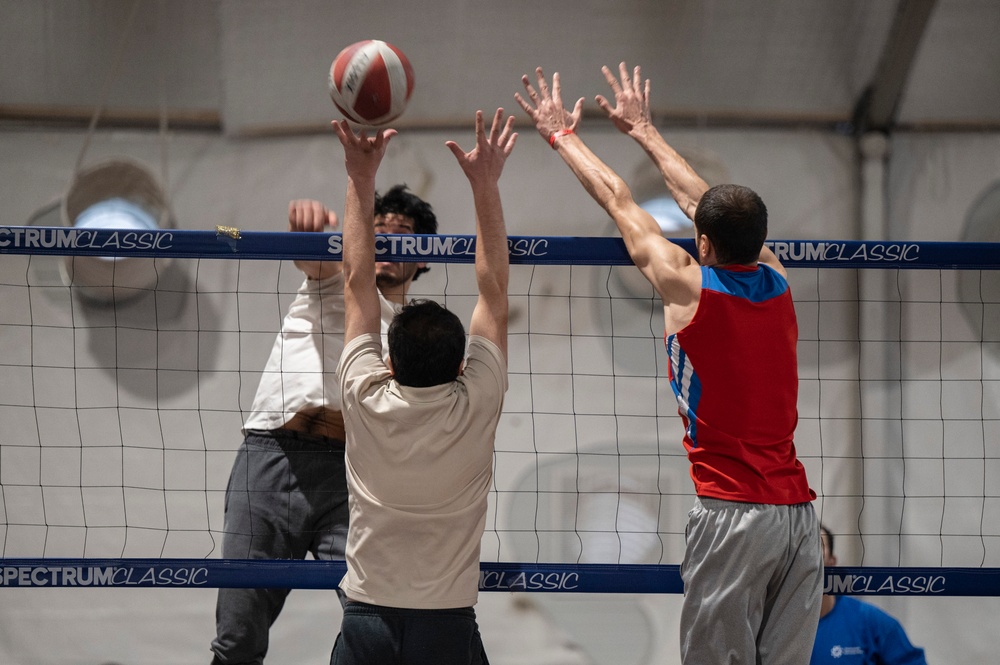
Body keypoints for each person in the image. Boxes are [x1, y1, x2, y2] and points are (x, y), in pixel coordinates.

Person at [516, 63, 823, 664]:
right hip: (799, 520)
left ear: (702, 243)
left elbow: (619, 200)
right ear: (760, 237)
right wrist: (646, 131)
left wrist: (561, 135)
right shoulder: (779, 278)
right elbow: (701, 202)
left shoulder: (689, 287)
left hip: (733, 514)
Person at [210, 187, 438, 665]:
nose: (389, 242)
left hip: (355, 479)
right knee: (237, 639)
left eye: (404, 235)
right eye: (378, 232)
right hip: (274, 459)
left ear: (424, 259)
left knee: (375, 626)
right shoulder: (333, 278)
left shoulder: (420, 333)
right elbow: (308, 259)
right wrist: (310, 238)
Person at [328, 107, 515, 665]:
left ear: (387, 360)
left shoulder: (364, 394)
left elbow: (357, 283)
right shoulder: (476, 400)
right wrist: (485, 186)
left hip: (367, 615)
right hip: (446, 620)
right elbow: (494, 290)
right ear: (463, 366)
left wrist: (360, 177)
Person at [812, 526, 927, 665]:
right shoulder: (781, 622)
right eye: (803, 546)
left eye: (817, 545)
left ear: (832, 561)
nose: (810, 554)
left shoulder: (870, 621)